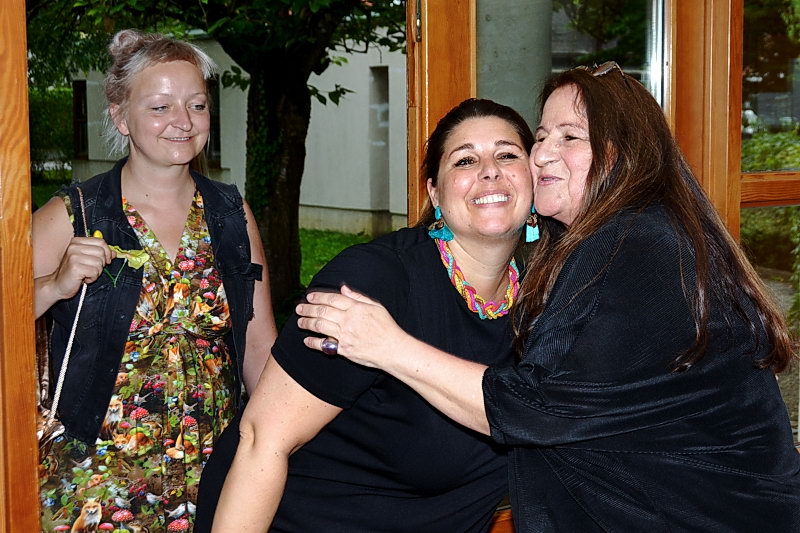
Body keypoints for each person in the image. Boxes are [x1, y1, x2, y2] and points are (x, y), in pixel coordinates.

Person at [296, 63, 800, 531]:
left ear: (622, 156)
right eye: (540, 137)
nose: (541, 155)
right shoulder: (604, 245)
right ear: (433, 191)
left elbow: (536, 408)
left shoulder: (638, 246)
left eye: (569, 137)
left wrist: (386, 345)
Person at [195, 98, 537, 532]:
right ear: (435, 192)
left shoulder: (548, 299)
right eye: (465, 160)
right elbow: (262, 440)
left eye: (507, 155)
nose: (490, 171)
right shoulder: (372, 282)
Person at [33, 29, 277, 532]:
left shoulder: (231, 213)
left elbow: (258, 345)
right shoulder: (73, 213)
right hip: (96, 479)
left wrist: (276, 441)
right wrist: (54, 285)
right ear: (121, 116)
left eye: (197, 105)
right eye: (160, 107)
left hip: (212, 468)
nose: (183, 122)